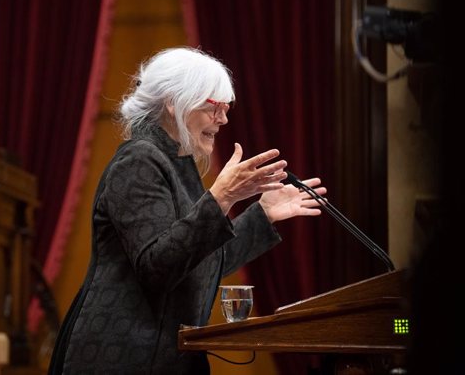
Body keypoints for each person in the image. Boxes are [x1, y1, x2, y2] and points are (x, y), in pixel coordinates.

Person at [48, 47, 326, 374]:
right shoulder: (138, 161)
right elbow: (158, 267)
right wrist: (221, 198)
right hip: (124, 358)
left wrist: (261, 215)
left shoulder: (178, 166)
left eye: (226, 107)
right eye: (215, 106)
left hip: (166, 359)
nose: (223, 118)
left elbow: (198, 261)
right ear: (173, 101)